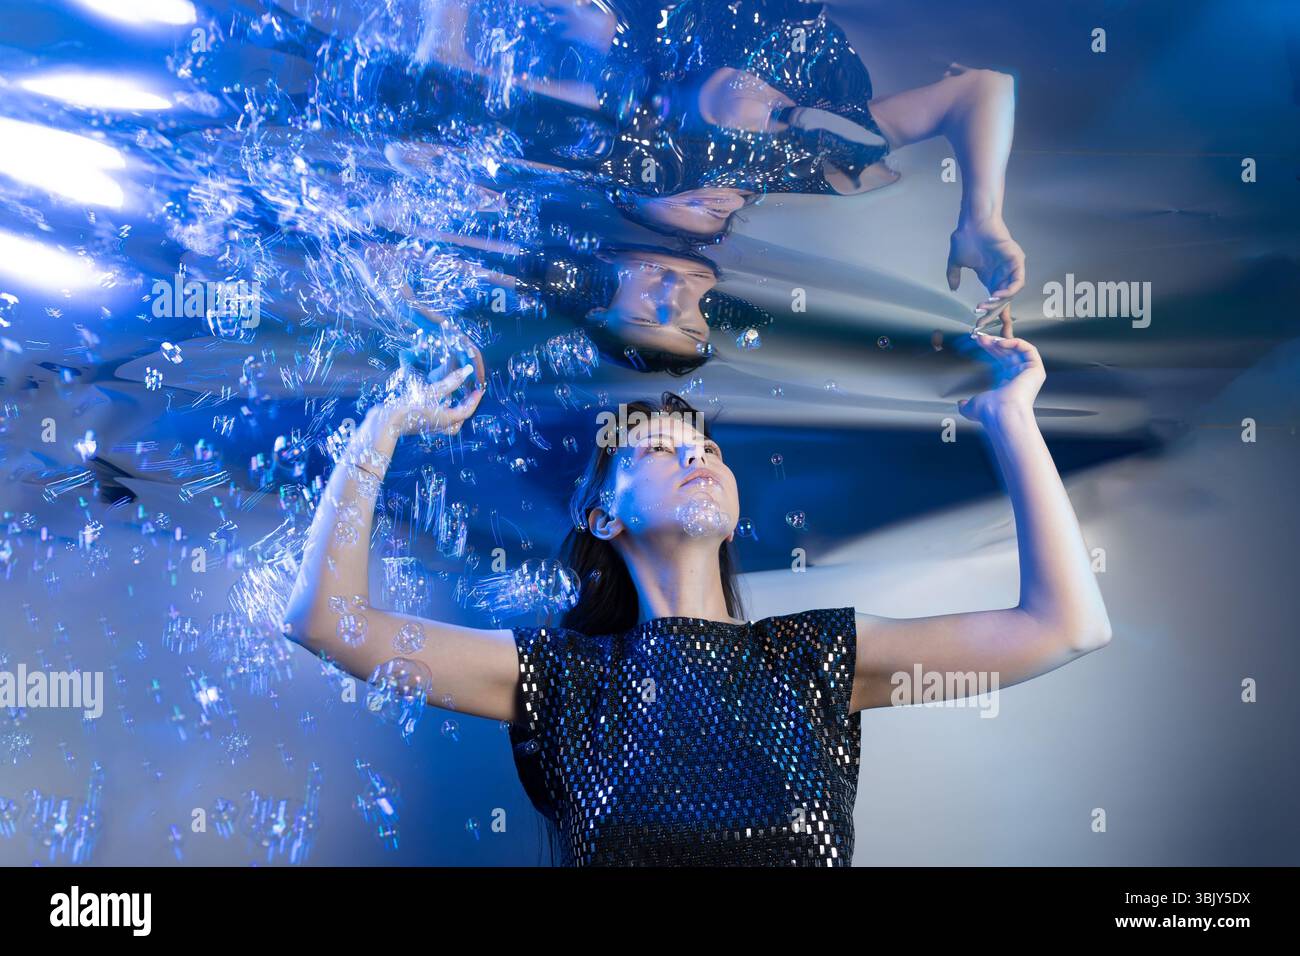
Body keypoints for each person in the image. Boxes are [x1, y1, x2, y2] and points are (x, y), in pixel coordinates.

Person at [282, 327, 1113, 866]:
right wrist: (382, 428)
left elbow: (1064, 627)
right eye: (656, 447)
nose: (696, 456)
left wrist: (1011, 418)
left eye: (705, 445)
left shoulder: (816, 661)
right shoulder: (561, 680)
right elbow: (328, 623)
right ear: (603, 516)